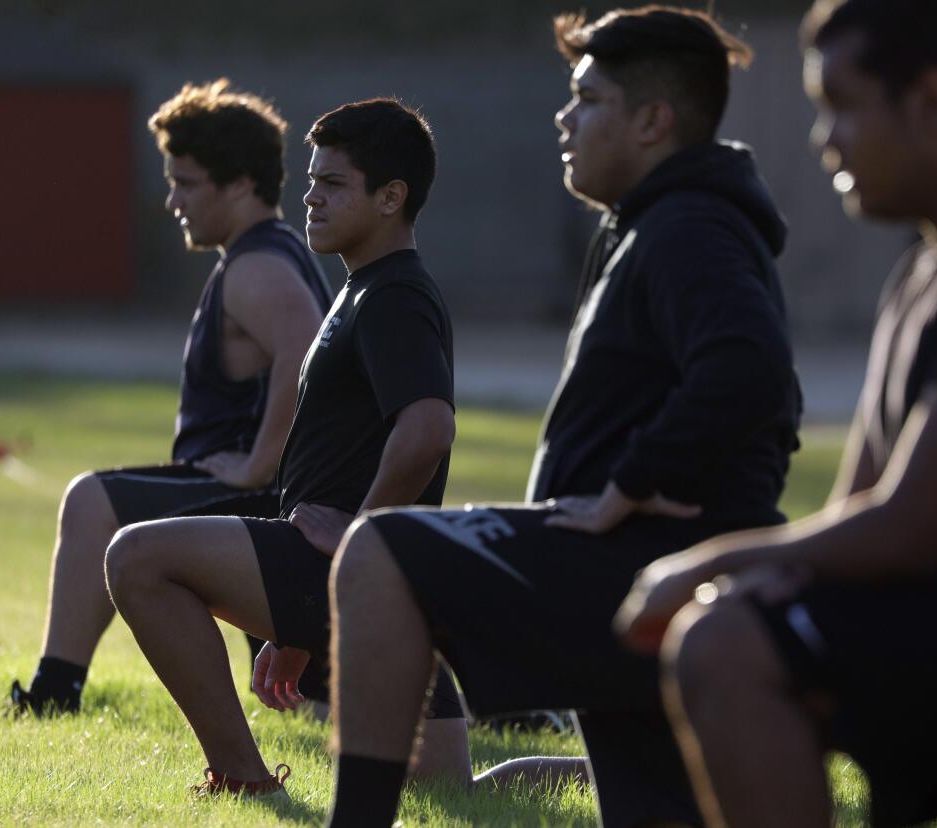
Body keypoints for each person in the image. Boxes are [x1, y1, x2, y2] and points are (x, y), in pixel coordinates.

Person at [615, 1, 937, 826]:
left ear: (931, 100)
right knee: (735, 622)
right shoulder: (934, 264)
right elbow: (860, 506)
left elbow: (913, 529)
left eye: (843, 105)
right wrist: (760, 574)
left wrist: (703, 564)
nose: (827, 140)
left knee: (726, 645)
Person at [322, 7, 801, 826]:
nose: (563, 116)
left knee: (381, 551)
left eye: (586, 98)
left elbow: (752, 373)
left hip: (636, 563)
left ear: (652, 120)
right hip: (639, 565)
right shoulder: (664, 222)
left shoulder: (689, 228)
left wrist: (631, 484)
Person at [98, 97, 471, 797]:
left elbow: (428, 429)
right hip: (366, 593)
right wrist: (297, 625)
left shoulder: (393, 295)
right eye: (311, 179)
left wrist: (361, 540)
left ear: (392, 198)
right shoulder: (362, 290)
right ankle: (671, 784)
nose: (310, 196)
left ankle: (241, 775)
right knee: (456, 795)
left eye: (333, 184)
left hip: (364, 576)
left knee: (137, 558)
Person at [9, 78, 333, 716]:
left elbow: (302, 350)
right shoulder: (268, 254)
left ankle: (53, 695)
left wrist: (257, 466)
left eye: (186, 182)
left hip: (257, 496)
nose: (172, 199)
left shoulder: (255, 268)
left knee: (93, 500)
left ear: (240, 184)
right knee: (326, 704)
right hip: (265, 498)